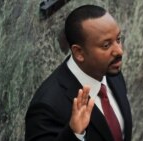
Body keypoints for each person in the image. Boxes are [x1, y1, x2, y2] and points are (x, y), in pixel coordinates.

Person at [25, 4, 132, 141]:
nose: (119, 51)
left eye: (118, 39)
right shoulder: (46, 107)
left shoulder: (111, 70)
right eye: (106, 45)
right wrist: (75, 134)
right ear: (79, 53)